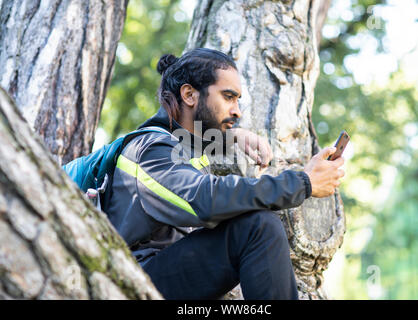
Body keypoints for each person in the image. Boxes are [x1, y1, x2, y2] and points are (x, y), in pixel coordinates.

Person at [104, 48, 345, 300]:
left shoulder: (177, 148)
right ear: (189, 94)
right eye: (228, 97)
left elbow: (186, 148)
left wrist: (229, 139)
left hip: (162, 279)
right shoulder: (149, 150)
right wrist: (303, 183)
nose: (237, 111)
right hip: (131, 284)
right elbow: (205, 198)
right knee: (258, 227)